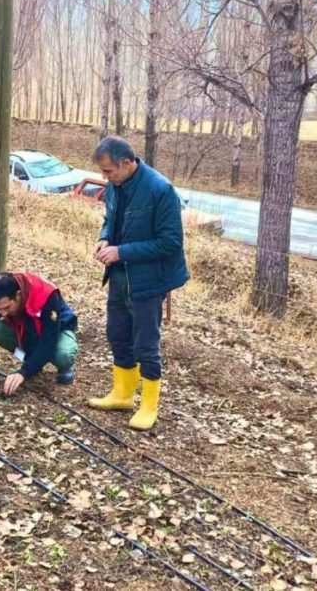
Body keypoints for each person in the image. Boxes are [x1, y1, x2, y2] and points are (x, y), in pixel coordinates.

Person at [88, 136, 189, 430]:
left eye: (109, 171)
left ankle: (148, 405)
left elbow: (170, 243)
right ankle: (122, 394)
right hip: (119, 274)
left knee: (146, 343)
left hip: (149, 279)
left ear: (128, 163)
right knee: (117, 333)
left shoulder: (161, 190)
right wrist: (104, 238)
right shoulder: (114, 186)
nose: (105, 177)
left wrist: (121, 251)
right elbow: (110, 219)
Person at [0, 272, 79, 396]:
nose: (2, 314)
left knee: (63, 355)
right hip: (26, 327)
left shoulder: (46, 295)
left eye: (7, 308)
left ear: (18, 295)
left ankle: (65, 367)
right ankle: (32, 361)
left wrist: (24, 372)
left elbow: (49, 339)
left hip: (58, 328)